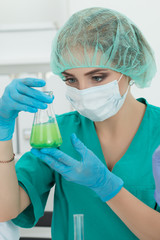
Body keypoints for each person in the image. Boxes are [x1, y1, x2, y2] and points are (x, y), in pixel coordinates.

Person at [0, 7, 160, 240]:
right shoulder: (59, 132)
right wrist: (2, 131)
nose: (83, 91)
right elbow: (5, 209)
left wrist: (107, 187)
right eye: (71, 79)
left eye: (97, 77)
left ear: (129, 68)